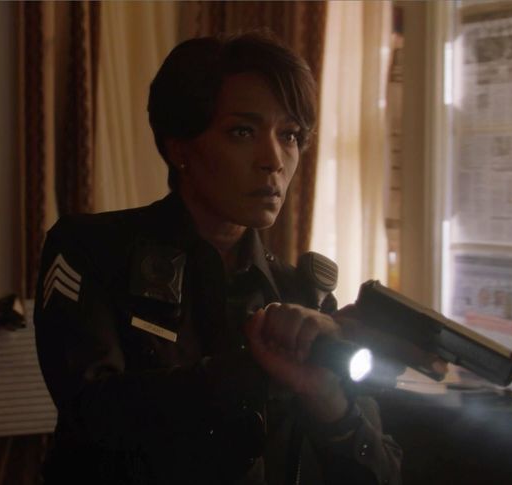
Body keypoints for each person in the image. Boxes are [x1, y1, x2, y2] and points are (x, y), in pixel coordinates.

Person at [34, 32, 419, 485]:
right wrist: (256, 370)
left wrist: (328, 400)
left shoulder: (301, 296)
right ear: (180, 147)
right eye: (242, 132)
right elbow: (92, 412)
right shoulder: (91, 249)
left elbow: (381, 474)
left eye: (290, 135)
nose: (274, 160)